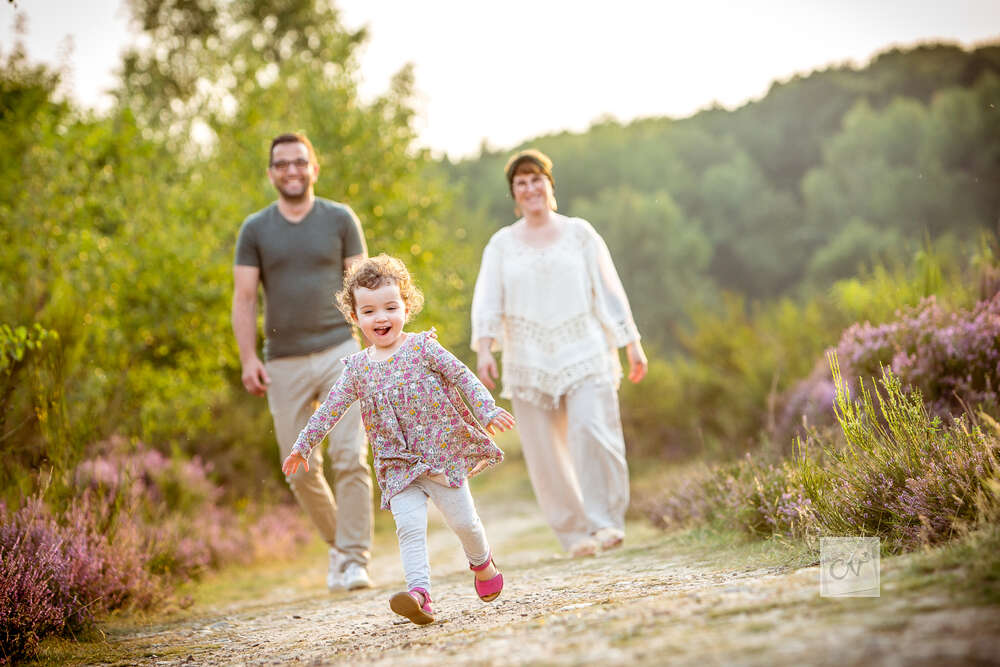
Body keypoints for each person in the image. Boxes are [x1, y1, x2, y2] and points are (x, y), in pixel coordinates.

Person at [283, 254, 515, 625]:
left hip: (441, 455)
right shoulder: (358, 370)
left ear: (406, 307)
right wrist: (303, 446)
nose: (381, 318)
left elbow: (462, 375)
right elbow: (329, 410)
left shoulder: (423, 348)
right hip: (397, 464)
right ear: (355, 317)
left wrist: (486, 410)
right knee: (409, 528)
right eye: (369, 311)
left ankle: (483, 563)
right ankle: (420, 595)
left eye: (390, 307)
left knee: (464, 523)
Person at [470, 148, 648, 558]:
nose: (530, 188)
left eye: (537, 179)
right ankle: (575, 534)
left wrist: (631, 342)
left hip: (585, 349)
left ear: (550, 185)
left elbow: (609, 290)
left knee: (592, 431)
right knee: (545, 452)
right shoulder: (501, 245)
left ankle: (606, 522)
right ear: (514, 195)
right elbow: (488, 300)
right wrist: (485, 350)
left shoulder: (580, 234)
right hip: (527, 358)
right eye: (521, 183)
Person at [233, 132, 374, 592]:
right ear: (271, 173)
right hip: (283, 361)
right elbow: (244, 298)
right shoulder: (255, 229)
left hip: (340, 351)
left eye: (299, 162)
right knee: (300, 466)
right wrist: (248, 358)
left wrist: (374, 351)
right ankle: (340, 546)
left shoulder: (340, 219)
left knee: (350, 456)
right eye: (282, 164)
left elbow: (364, 289)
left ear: (314, 167)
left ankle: (355, 560)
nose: (291, 170)